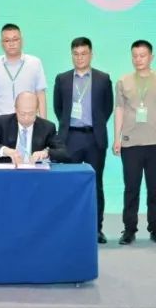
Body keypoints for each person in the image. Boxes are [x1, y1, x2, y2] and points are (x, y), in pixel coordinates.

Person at [113, 40, 156, 246]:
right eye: (135, 56)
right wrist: (117, 138)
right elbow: (119, 110)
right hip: (130, 143)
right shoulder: (123, 81)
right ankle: (129, 230)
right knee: (131, 189)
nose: (138, 59)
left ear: (151, 57)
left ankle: (155, 229)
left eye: (142, 55)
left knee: (155, 189)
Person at [53, 37, 113, 244]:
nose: (80, 58)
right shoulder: (62, 79)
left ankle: (96, 229)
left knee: (95, 184)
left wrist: (95, 125)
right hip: (70, 138)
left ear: (91, 54)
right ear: (72, 55)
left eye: (84, 53)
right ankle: (69, 228)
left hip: (95, 139)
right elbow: (58, 108)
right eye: (76, 54)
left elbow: (107, 108)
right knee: (69, 184)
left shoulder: (103, 79)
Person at [0, 23, 47, 133]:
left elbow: (40, 94)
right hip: (0, 125)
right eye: (7, 40)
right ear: (2, 43)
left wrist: (44, 125)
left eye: (15, 39)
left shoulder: (35, 63)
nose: (11, 44)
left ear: (22, 41)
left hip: (29, 125)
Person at [0, 92, 67, 164]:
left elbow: (64, 153)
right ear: (16, 109)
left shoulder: (47, 127)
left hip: (35, 174)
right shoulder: (3, 122)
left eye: (31, 113)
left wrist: (46, 153)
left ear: (37, 110)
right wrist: (5, 150)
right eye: (22, 114)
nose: (26, 118)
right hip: (7, 172)